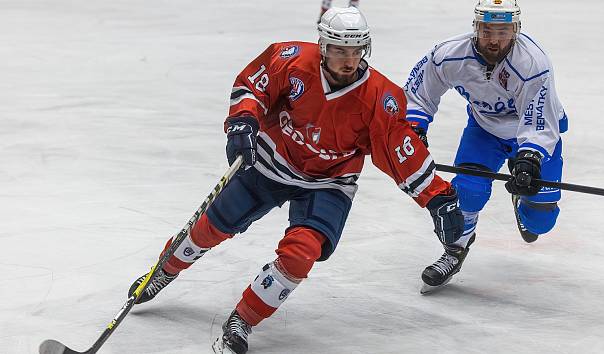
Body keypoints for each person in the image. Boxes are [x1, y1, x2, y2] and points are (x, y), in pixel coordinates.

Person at [129, 6, 464, 354]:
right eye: (339, 51)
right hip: (271, 161)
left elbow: (399, 152)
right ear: (323, 46)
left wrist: (437, 196)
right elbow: (252, 87)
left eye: (355, 52)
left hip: (329, 182)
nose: (348, 61)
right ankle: (164, 271)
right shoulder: (289, 59)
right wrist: (243, 121)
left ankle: (242, 318)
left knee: (302, 253)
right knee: (210, 226)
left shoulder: (382, 97)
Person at [403, 0, 568, 292]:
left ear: (515, 30)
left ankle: (524, 203)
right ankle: (455, 250)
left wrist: (529, 158)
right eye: (487, 30)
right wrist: (415, 127)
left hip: (533, 133)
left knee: (540, 222)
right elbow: (419, 92)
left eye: (502, 31)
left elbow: (538, 118)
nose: (493, 39)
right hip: (485, 130)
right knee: (467, 192)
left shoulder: (533, 63)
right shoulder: (449, 54)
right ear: (476, 28)